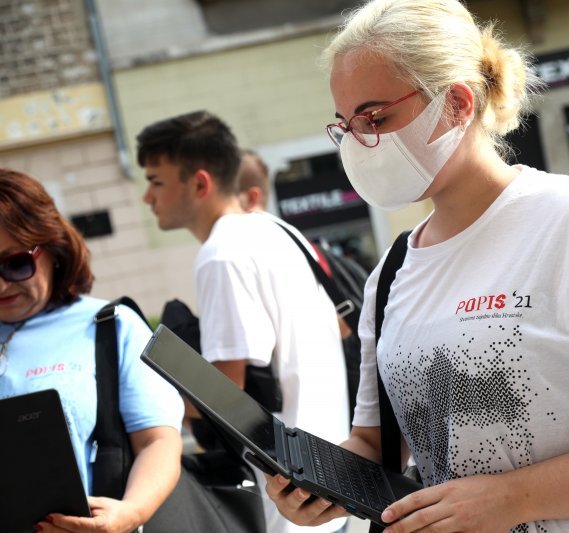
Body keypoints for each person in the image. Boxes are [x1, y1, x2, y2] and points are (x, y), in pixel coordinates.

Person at [265, 0, 569, 532]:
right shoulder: (393, 272)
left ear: (455, 104)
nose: (360, 142)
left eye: (376, 117)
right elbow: (379, 443)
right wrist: (318, 481)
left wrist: (513, 498)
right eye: (346, 125)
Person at [137, 111, 350, 533]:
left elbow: (224, 391)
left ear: (199, 183)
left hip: (288, 494)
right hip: (330, 467)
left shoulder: (222, 254)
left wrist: (142, 415)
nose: (148, 197)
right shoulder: (276, 230)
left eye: (155, 181)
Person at [0, 168, 184, 533]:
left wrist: (130, 513)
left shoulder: (110, 325)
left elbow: (158, 440)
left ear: (52, 248)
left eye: (15, 263)